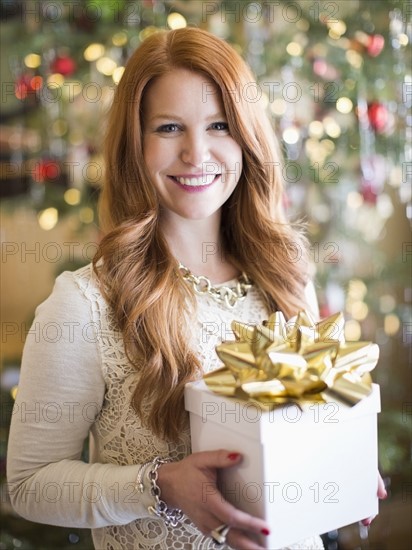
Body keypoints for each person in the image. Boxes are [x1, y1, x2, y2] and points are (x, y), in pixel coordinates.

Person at [7, 27, 385, 550]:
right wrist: (160, 485)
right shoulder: (84, 305)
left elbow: (304, 421)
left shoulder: (287, 268)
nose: (196, 152)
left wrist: (340, 463)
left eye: (219, 125)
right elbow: (30, 484)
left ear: (247, 136)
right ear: (133, 144)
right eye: (168, 127)